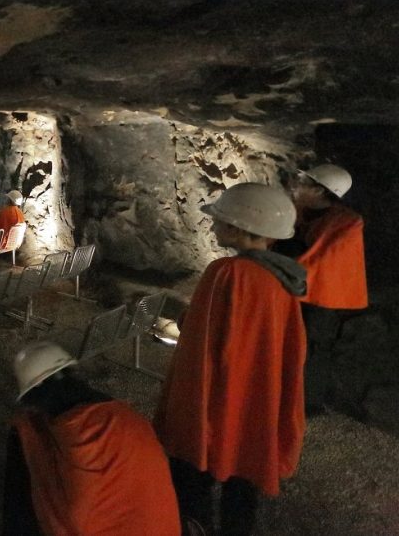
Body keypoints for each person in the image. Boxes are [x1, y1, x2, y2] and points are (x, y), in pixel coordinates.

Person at [154, 183, 307, 536]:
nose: (213, 226)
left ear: (239, 228)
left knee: (193, 482)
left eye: (220, 220)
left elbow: (201, 344)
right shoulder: (284, 279)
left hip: (217, 402)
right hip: (254, 400)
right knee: (244, 475)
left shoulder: (226, 272)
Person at [5, 342, 181, 536]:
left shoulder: (69, 431)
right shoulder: (127, 417)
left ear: (35, 395)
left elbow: (78, 520)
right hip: (165, 529)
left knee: (22, 434)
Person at [283, 164, 368, 415]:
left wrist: (276, 270)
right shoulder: (303, 212)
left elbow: (320, 258)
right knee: (294, 342)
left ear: (320, 192)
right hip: (301, 289)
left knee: (313, 347)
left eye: (303, 182)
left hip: (324, 297)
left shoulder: (346, 222)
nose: (296, 185)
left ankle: (307, 403)